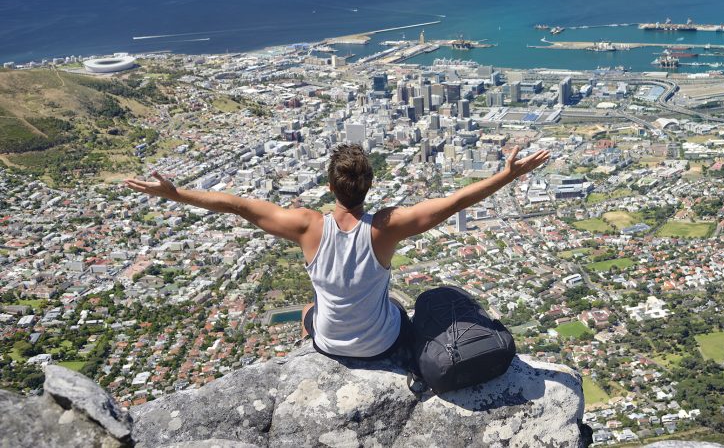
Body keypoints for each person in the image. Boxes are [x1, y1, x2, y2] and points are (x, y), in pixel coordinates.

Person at [124, 142, 550, 366]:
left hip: (328, 344)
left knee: (311, 306)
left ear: (331, 186)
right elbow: (455, 203)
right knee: (400, 307)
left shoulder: (307, 226)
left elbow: (237, 205)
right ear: (369, 187)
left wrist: (175, 193)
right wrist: (507, 175)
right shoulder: (385, 227)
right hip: (382, 344)